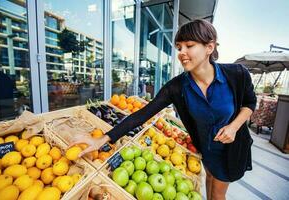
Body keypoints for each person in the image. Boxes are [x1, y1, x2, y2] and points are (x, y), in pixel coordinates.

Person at [69, 19, 256, 200]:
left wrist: (234, 127)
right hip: (206, 149)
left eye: (189, 45)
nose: (182, 52)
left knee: (217, 194)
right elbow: (142, 115)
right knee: (210, 179)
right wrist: (103, 138)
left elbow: (249, 103)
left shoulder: (237, 74)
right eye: (179, 47)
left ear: (209, 47)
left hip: (231, 149)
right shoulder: (177, 87)